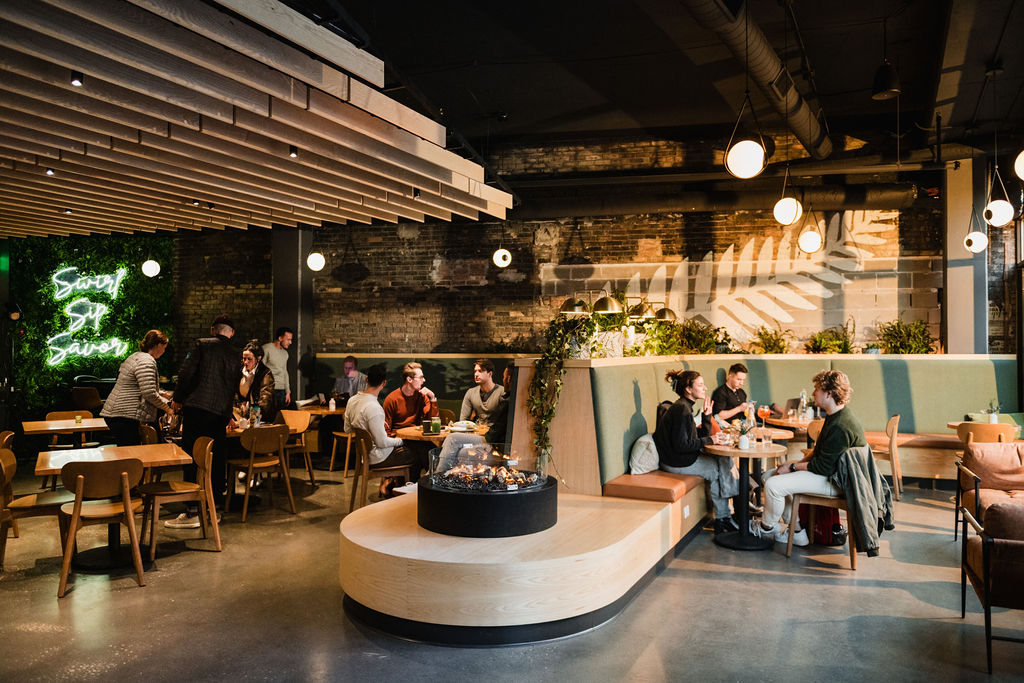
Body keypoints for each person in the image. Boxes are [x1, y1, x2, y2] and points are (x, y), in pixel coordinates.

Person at [750, 369, 867, 546]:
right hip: (830, 474)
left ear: (829, 393)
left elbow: (823, 467)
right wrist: (795, 464)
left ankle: (767, 528)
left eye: (816, 389)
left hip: (837, 482)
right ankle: (797, 532)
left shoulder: (841, 426)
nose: (813, 393)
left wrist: (792, 468)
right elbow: (819, 451)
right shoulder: (835, 415)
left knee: (774, 485)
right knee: (770, 476)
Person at [167, 314, 241, 528]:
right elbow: (233, 386)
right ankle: (214, 508)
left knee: (193, 457)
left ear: (212, 329)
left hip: (198, 409)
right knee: (217, 459)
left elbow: (186, 373)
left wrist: (178, 399)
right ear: (231, 333)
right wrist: (229, 413)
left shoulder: (202, 345)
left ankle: (192, 511)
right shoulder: (236, 354)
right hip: (221, 412)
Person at [653, 369, 740, 536]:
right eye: (700, 385)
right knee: (717, 468)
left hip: (681, 457)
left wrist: (707, 417)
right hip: (675, 461)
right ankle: (726, 515)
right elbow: (682, 446)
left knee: (724, 460)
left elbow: (697, 438)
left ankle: (728, 513)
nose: (705, 388)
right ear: (688, 388)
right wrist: (712, 440)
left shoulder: (685, 406)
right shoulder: (682, 410)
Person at [345, 364, 429, 496]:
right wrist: (403, 441)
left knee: (420, 450)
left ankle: (401, 487)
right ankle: (414, 491)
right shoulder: (374, 408)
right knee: (421, 453)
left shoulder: (352, 401)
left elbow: (347, 429)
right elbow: (382, 443)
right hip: (378, 457)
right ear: (384, 383)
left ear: (367, 379)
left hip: (364, 455)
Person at [100, 329, 175, 446]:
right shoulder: (147, 361)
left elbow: (137, 384)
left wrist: (161, 393)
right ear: (159, 345)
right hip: (124, 415)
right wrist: (168, 408)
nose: (164, 351)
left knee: (127, 453)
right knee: (131, 456)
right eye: (164, 347)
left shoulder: (136, 356)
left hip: (117, 413)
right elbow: (149, 393)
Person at [318, 356, 367, 460]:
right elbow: (335, 395)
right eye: (345, 368)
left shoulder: (364, 379)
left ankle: (352, 457)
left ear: (356, 368)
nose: (347, 371)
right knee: (324, 423)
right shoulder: (340, 380)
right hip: (342, 413)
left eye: (350, 368)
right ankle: (329, 456)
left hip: (356, 415)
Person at [382, 362, 439, 434]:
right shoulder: (392, 399)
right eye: (421, 377)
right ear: (409, 379)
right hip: (397, 439)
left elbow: (432, 422)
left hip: (416, 438)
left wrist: (432, 398)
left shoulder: (422, 397)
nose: (424, 380)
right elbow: (386, 430)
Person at [235, 340, 275, 424]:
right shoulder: (239, 370)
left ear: (258, 358)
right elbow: (233, 390)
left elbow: (265, 396)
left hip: (259, 414)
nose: (246, 362)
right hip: (240, 413)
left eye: (249, 359)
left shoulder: (265, 373)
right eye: (244, 358)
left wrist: (256, 414)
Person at [459, 359, 505, 426]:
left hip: (495, 432)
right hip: (476, 431)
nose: (476, 374)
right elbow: (463, 420)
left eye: (480, 371)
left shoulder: (502, 392)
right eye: (475, 371)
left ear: (490, 374)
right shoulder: (470, 393)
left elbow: (504, 421)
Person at [262, 327, 293, 411]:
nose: (290, 342)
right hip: (268, 389)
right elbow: (260, 370)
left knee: (280, 417)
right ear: (280, 338)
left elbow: (285, 372)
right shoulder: (266, 349)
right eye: (288, 340)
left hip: (281, 390)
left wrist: (287, 392)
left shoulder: (285, 353)